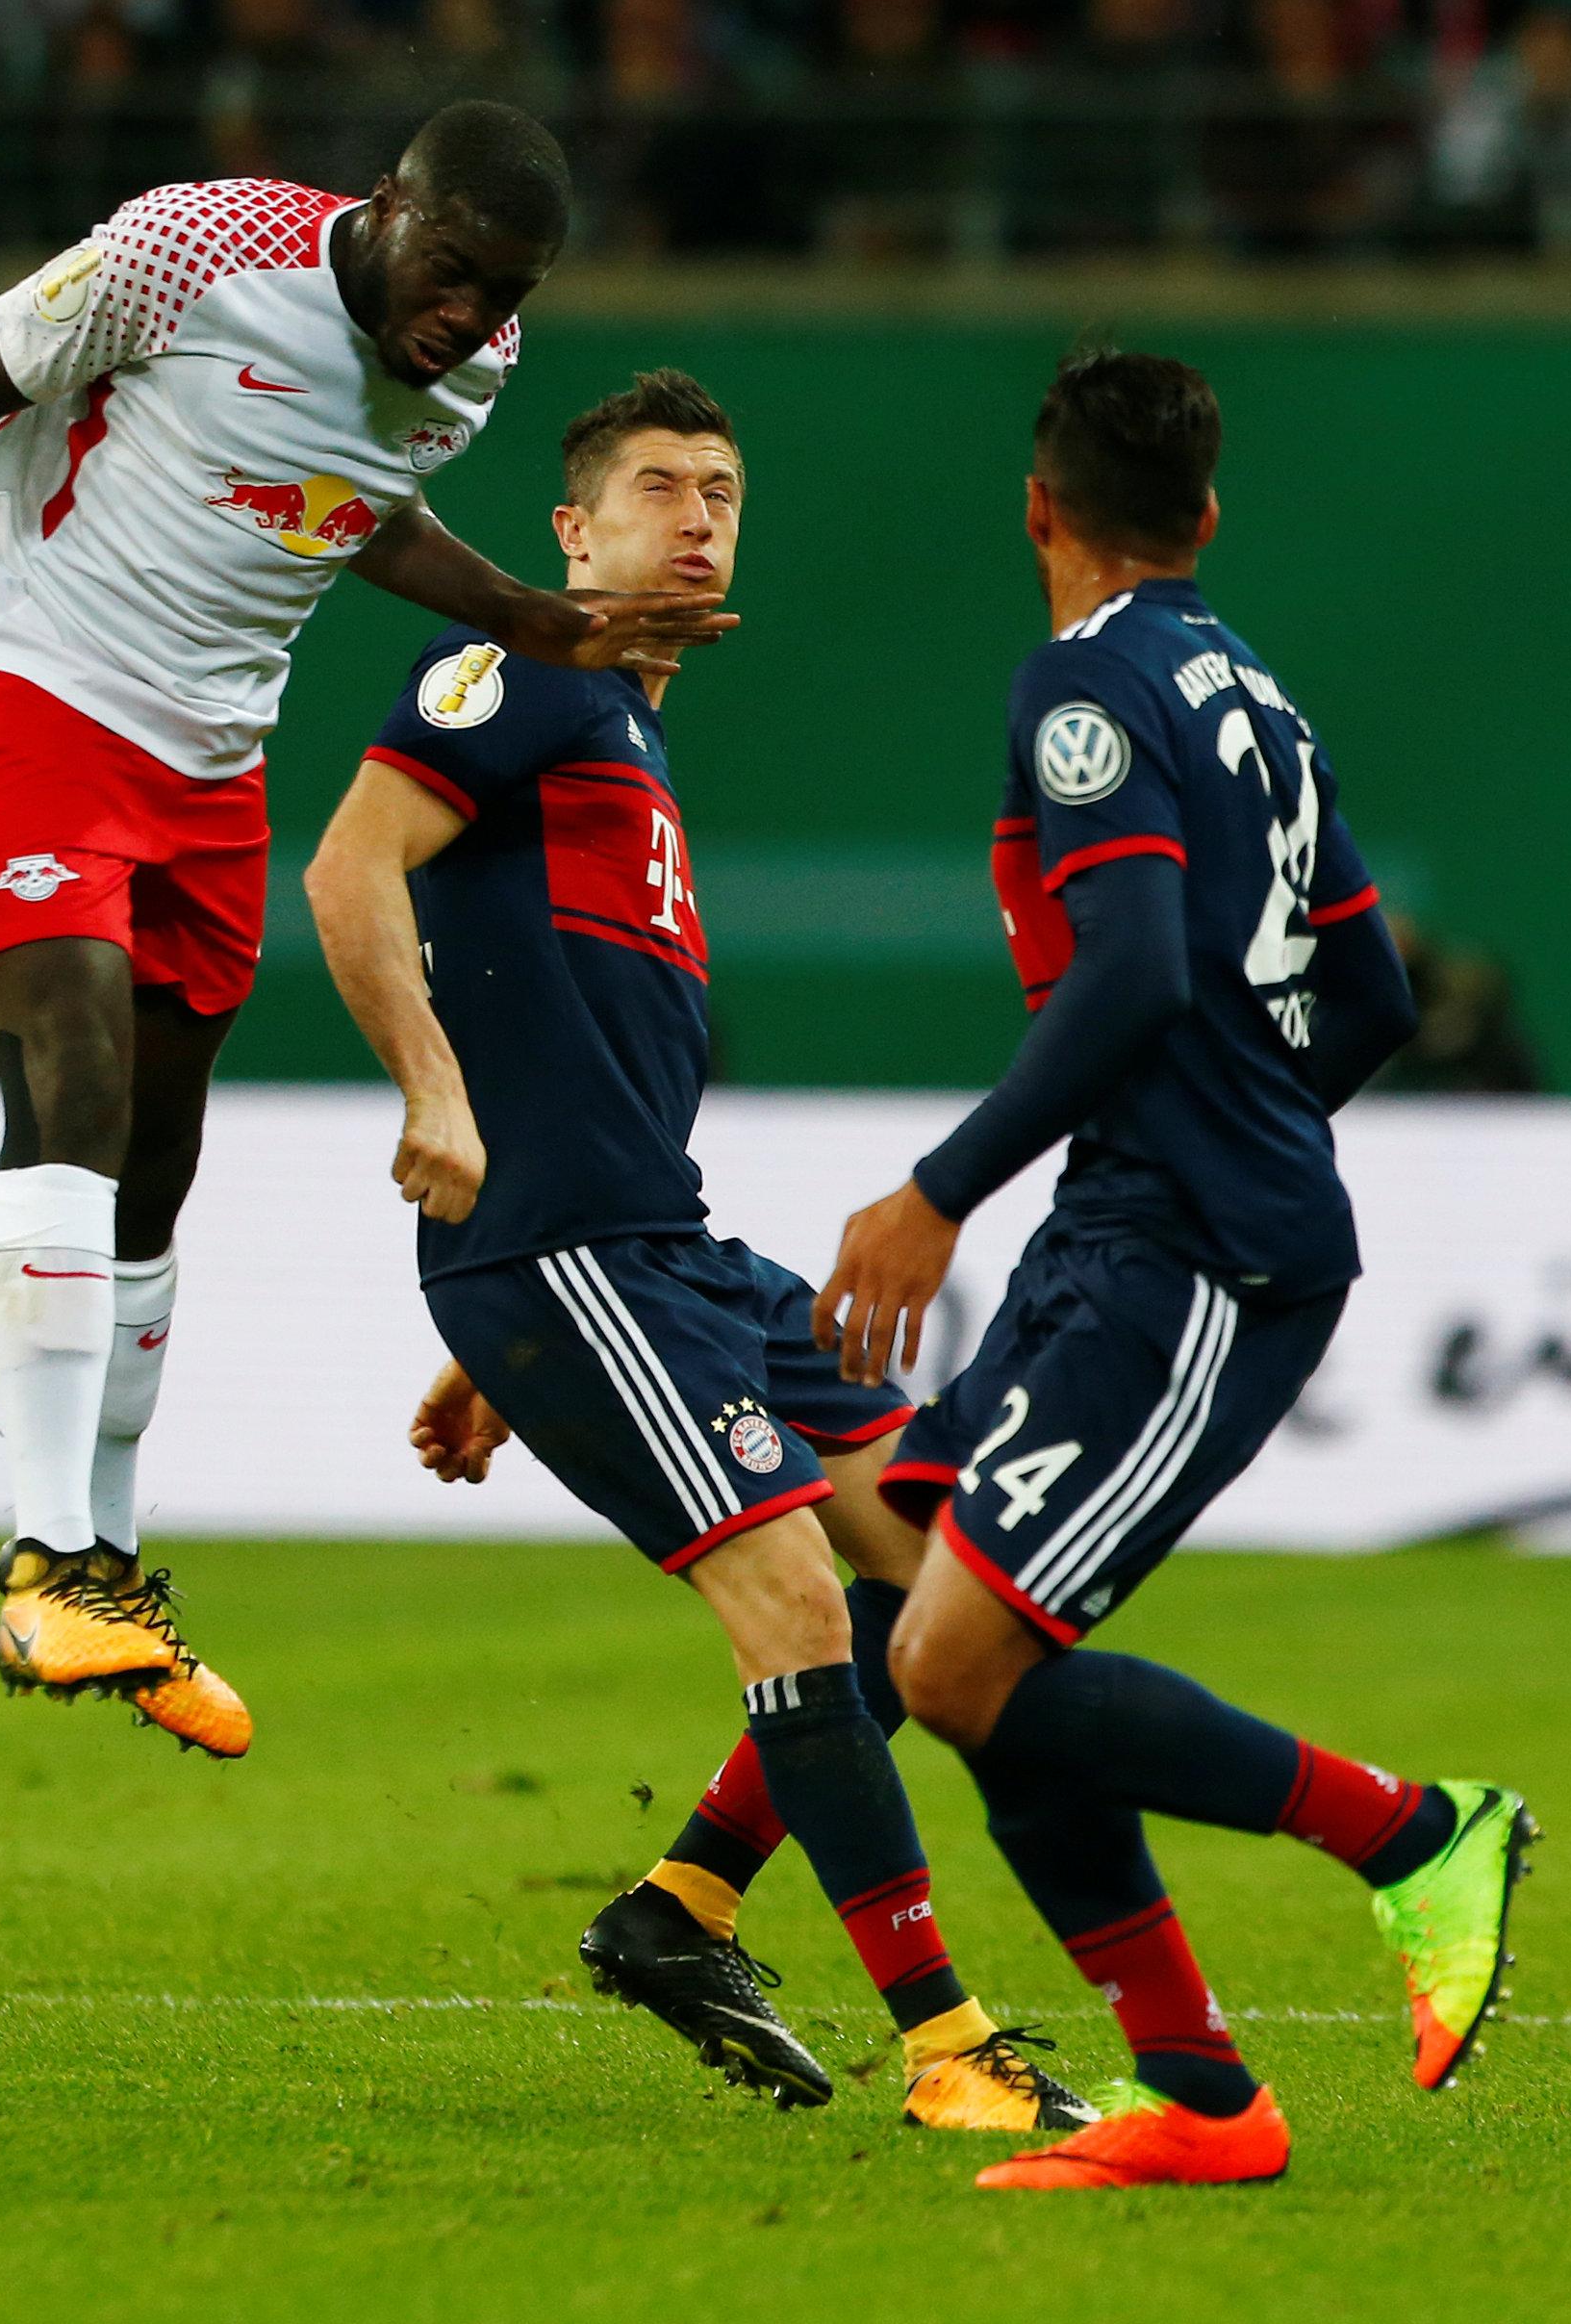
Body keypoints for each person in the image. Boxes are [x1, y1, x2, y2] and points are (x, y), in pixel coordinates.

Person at [0, 103, 730, 1759]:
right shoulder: (192, 248)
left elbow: (347, 501)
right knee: (69, 1059)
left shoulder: (479, 364)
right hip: (20, 676)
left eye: (505, 289)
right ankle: (43, 1559)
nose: (468, 313)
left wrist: (527, 614)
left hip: (210, 750)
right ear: (387, 205)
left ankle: (114, 1572)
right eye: (449, 269)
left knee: (154, 1151)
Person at [304, 370, 1091, 2139]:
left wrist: (500, 1339)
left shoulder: (623, 728)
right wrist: (435, 1100)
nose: (698, 518)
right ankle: (949, 2048)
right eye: (657, 488)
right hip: (575, 1253)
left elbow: (568, 1030)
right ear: (571, 531)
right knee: (797, 1603)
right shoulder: (516, 670)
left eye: (722, 491)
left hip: (649, 1253)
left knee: (939, 1573)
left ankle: (686, 1904)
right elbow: (349, 870)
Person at [811, 349, 1535, 2190]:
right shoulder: (1255, 693)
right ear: (1205, 515)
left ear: (1036, 509)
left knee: (955, 1656)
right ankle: (1202, 2099)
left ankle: (1412, 1834)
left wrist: (938, 1192)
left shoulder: (1085, 682)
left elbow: (1130, 972)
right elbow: (1371, 994)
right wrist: (1244, 1119)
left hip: (1191, 1245)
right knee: (942, 1617)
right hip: (1153, 1218)